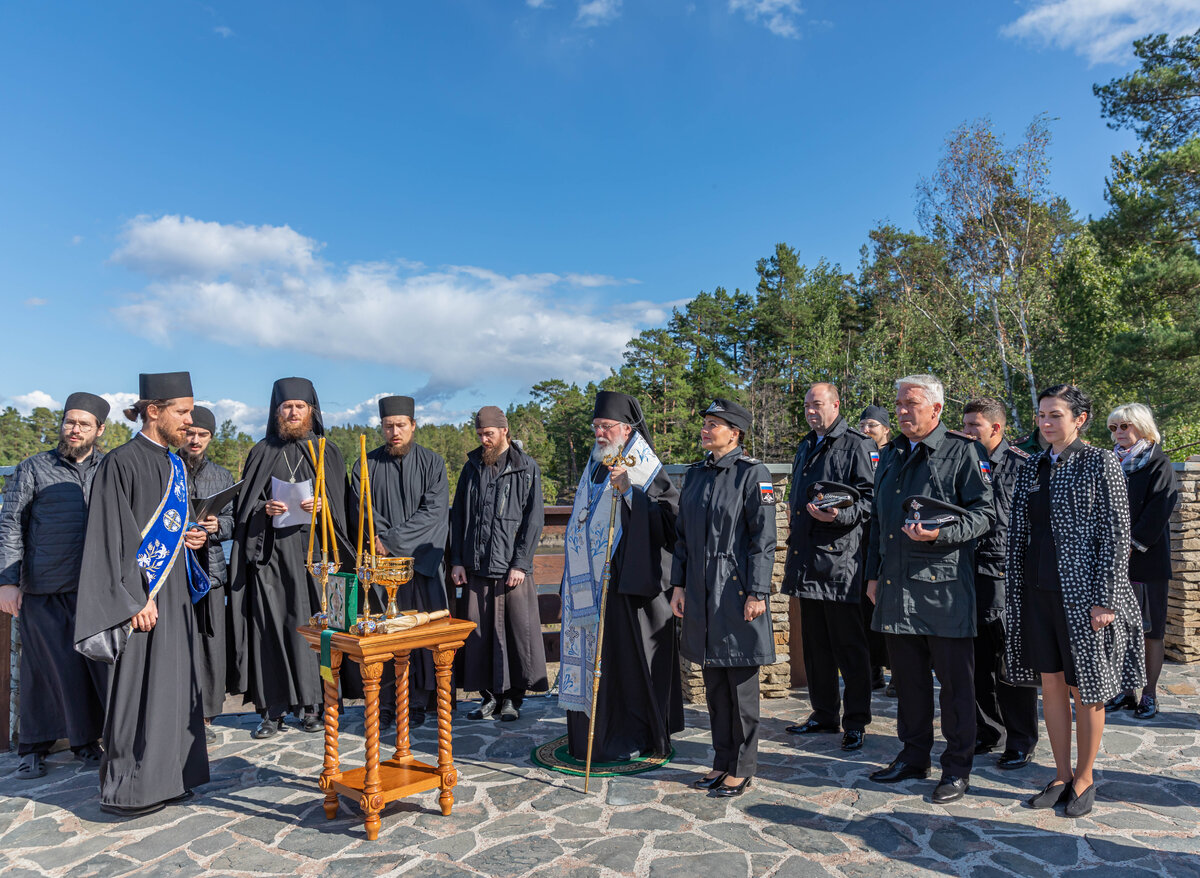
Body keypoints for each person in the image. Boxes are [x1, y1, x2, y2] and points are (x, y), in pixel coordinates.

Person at [74, 372, 210, 816]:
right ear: (154, 411)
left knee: (173, 687)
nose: (190, 422)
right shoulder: (121, 462)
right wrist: (136, 598)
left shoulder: (173, 463)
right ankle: (131, 789)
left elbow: (169, 528)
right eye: (182, 412)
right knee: (138, 690)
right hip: (141, 599)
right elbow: (112, 539)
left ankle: (170, 778)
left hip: (173, 595)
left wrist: (192, 538)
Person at [1006, 385, 1145, 817]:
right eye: (1042, 415)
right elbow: (1021, 531)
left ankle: (1085, 778)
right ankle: (1061, 773)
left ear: (1080, 419)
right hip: (1037, 591)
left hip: (1085, 597)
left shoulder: (1099, 461)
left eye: (1056, 415)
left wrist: (1104, 598)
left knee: (1086, 687)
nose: (1046, 423)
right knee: (1050, 683)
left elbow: (1118, 533)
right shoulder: (1032, 467)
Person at [865, 374, 993, 805]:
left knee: (956, 688)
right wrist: (871, 576)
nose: (901, 410)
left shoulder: (963, 451)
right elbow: (877, 523)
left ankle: (957, 769)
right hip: (895, 588)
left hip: (944, 591)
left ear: (936, 409)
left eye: (911, 403)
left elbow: (986, 515)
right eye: (898, 403)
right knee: (909, 682)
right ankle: (913, 755)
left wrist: (938, 535)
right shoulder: (892, 454)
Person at [560, 390, 682, 762]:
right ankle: (591, 742)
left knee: (627, 669)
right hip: (591, 588)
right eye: (595, 426)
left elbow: (670, 520)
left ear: (626, 428)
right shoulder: (595, 463)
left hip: (630, 589)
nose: (599, 433)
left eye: (605, 426)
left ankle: (630, 739)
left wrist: (631, 493)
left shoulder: (644, 464)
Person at [228, 377, 352, 738]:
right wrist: (263, 508)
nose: (293, 412)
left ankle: (314, 706)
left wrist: (324, 505)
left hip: (316, 556)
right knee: (272, 631)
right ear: (277, 411)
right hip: (273, 556)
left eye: (300, 406)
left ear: (311, 411)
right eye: (287, 407)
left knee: (319, 631)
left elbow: (343, 508)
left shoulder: (326, 450)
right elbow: (244, 508)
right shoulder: (261, 452)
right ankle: (272, 710)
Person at [0, 393, 111, 780]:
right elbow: (10, 524)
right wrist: (8, 581)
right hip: (43, 586)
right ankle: (32, 747)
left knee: (87, 669)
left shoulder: (109, 469)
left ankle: (85, 742)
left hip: (94, 588)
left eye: (83, 423)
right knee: (42, 672)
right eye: (69, 421)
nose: (74, 428)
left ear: (99, 429)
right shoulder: (33, 468)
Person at [671, 399, 776, 797]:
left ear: (735, 433)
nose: (705, 429)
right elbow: (682, 537)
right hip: (701, 594)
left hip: (736, 593)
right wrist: (679, 585)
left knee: (741, 689)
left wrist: (758, 592)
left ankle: (742, 767)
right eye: (705, 423)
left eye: (714, 424)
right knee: (715, 686)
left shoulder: (753, 475)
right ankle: (720, 761)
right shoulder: (696, 475)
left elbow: (763, 540)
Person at [781, 384, 876, 752]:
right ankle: (823, 714)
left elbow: (870, 500)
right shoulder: (806, 445)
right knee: (815, 647)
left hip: (841, 562)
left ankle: (855, 721)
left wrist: (840, 515)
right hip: (806, 559)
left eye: (817, 405)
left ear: (836, 404)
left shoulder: (858, 444)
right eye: (806, 405)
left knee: (849, 648)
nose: (810, 411)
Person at [352, 395, 450, 727]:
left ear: (413, 425)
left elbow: (433, 513)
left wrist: (389, 540)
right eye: (388, 426)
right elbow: (363, 509)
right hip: (381, 569)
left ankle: (420, 702)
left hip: (422, 564)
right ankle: (386, 702)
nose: (394, 432)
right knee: (384, 633)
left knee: (421, 634)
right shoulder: (365, 466)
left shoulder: (433, 463)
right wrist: (379, 542)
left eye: (401, 425)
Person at [451, 406, 547, 722]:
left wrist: (520, 563)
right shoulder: (472, 467)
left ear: (504, 431)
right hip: (477, 566)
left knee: (515, 634)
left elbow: (533, 520)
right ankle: (489, 698)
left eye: (488, 433)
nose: (484, 439)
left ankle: (512, 699)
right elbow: (459, 517)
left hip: (511, 570)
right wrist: (458, 561)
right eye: (480, 434)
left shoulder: (526, 468)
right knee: (480, 637)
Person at [961, 397, 1039, 769]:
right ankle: (987, 730)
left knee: (1011, 663)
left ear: (996, 428)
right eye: (964, 425)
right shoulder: (962, 463)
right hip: (966, 575)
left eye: (974, 426)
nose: (966, 432)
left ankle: (1021, 739)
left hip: (1007, 577)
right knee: (974, 660)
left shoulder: (1024, 466)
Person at [1104, 402, 1178, 720]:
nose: (1119, 432)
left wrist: (1131, 545)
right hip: (1113, 563)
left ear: (1142, 427)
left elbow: (1160, 507)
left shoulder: (1158, 463)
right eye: (1113, 428)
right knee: (1119, 628)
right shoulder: (1109, 463)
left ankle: (1149, 695)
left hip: (1145, 562)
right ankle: (1125, 690)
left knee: (1150, 632)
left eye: (1124, 426)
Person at [180, 405, 236, 741]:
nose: (195, 439)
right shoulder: (166, 467)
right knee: (180, 643)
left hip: (211, 568)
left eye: (202, 435)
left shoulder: (222, 475)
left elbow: (233, 520)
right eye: (190, 433)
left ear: (210, 438)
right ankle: (179, 709)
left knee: (211, 644)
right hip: (176, 571)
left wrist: (218, 526)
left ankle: (207, 713)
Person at [857, 405, 891, 693]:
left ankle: (900, 676)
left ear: (886, 429)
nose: (866, 430)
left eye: (872, 425)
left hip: (889, 540)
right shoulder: (858, 452)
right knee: (866, 612)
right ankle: (873, 671)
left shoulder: (895, 455)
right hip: (863, 541)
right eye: (863, 425)